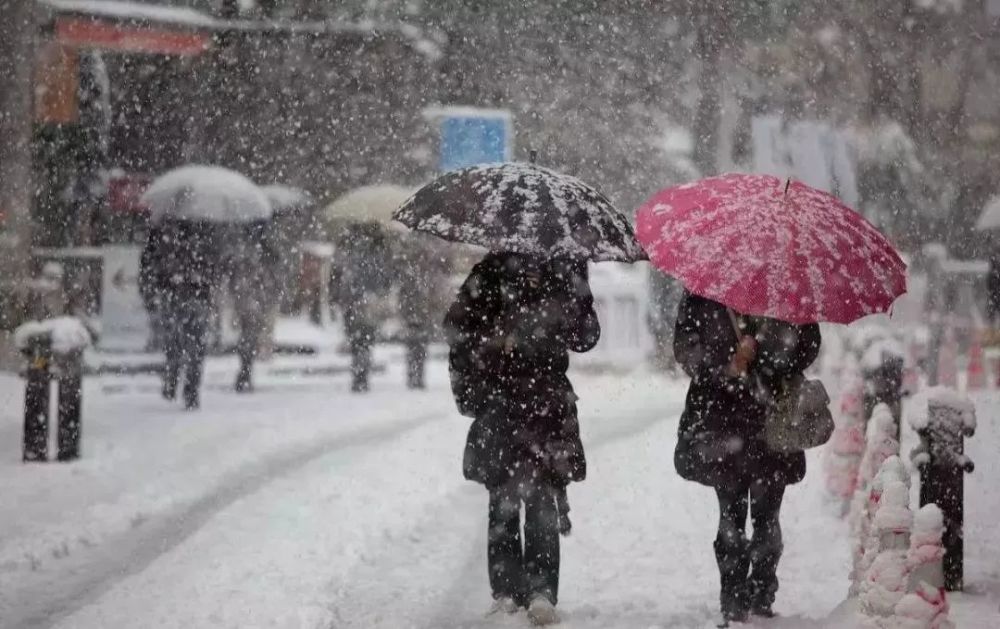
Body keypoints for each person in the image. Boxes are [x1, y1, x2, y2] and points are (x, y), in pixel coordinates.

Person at [445, 252, 599, 626]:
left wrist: (555, 313)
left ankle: (542, 589)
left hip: (547, 403)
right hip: (501, 402)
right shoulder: (491, 271)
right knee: (503, 499)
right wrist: (495, 336)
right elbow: (457, 327)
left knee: (543, 495)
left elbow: (586, 335)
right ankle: (507, 591)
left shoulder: (566, 269)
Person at [672, 290, 821, 626]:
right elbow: (685, 348)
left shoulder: (785, 290)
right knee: (731, 513)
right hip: (721, 423)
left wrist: (765, 355)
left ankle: (762, 592)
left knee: (768, 514)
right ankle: (733, 598)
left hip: (772, 418)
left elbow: (808, 345)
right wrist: (728, 363)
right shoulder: (701, 292)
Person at [140, 219, 222, 410]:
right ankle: (188, 389)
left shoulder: (165, 237)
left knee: (177, 344)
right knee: (192, 347)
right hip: (190, 299)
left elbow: (152, 267)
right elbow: (214, 269)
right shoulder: (202, 238)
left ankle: (175, 383)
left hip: (178, 299)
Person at [331, 221, 394, 392]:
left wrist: (336, 297)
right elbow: (387, 278)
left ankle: (359, 374)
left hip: (352, 301)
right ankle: (362, 374)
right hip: (369, 302)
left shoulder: (347, 248)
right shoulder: (380, 250)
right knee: (366, 339)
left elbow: (336, 274)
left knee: (357, 339)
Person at [227, 221, 279, 392]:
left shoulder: (242, 250)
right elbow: (271, 279)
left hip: (247, 300)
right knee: (250, 336)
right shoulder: (264, 252)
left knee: (247, 336)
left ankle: (245, 370)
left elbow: (233, 277)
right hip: (255, 299)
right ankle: (245, 371)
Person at [395, 233, 450, 389]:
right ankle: (414, 377)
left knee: (419, 348)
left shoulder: (424, 276)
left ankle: (417, 377)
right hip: (415, 316)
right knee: (415, 347)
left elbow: (435, 296)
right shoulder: (413, 276)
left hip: (421, 316)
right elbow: (404, 297)